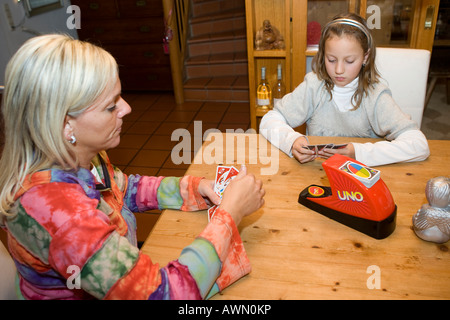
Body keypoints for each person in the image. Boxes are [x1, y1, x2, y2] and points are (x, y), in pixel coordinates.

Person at [0, 34, 265, 300]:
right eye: (111, 106)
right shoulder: (59, 213)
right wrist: (229, 214)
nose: (126, 109)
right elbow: (164, 295)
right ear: (66, 124)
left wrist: (195, 189)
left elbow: (125, 189)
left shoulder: (84, 156)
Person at [260, 13, 430, 167]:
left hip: (362, 181)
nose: (339, 70)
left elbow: (419, 145)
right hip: (317, 175)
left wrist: (358, 153)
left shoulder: (375, 95)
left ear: (365, 57)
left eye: (349, 61)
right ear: (322, 54)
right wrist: (292, 141)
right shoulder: (314, 86)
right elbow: (269, 119)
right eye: (331, 59)